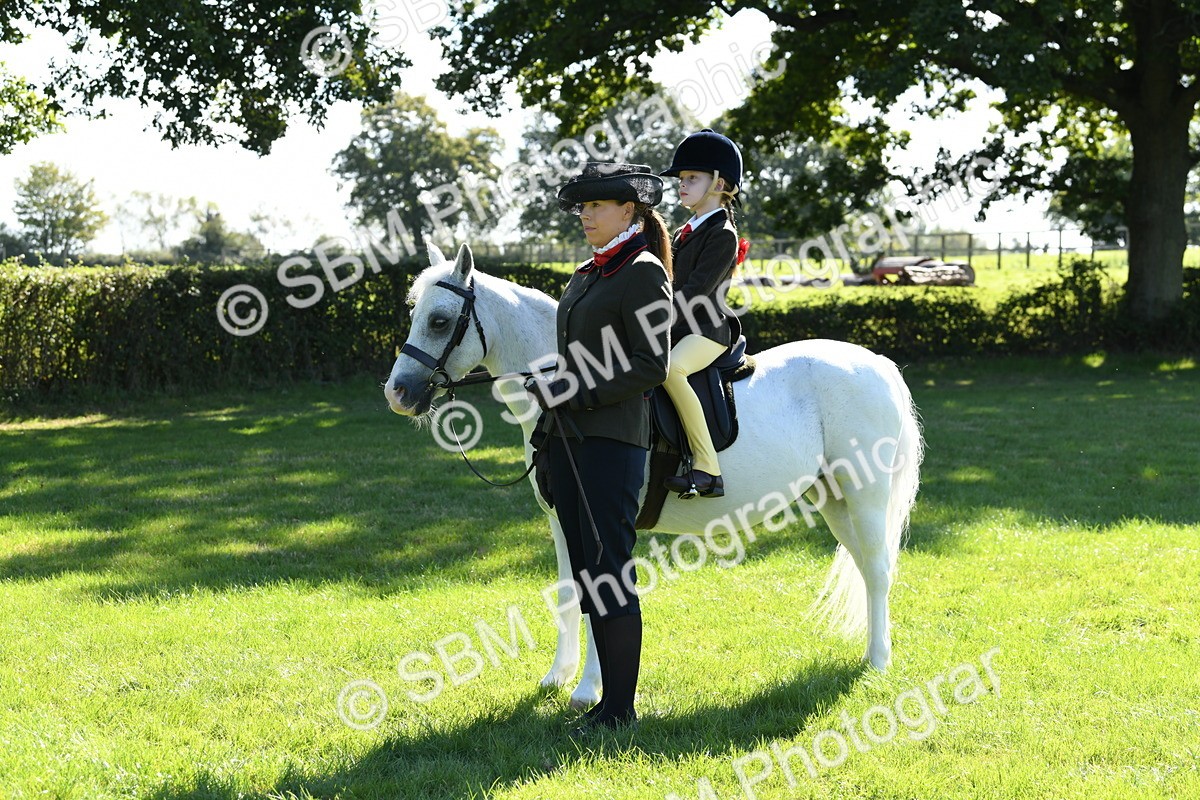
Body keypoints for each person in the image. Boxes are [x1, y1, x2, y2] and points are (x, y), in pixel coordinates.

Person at [525, 162, 673, 733]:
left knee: (609, 573)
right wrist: (547, 393)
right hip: (568, 439)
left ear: (628, 211)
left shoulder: (641, 272)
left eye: (596, 207)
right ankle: (609, 698)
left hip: (613, 441)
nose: (585, 215)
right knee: (587, 573)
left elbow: (649, 365)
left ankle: (619, 710)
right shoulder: (587, 273)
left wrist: (570, 388)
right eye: (582, 208)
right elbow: (577, 358)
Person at [658, 129, 746, 498]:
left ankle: (707, 468)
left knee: (670, 370)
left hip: (707, 330)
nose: (682, 185)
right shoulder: (682, 232)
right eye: (681, 179)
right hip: (681, 327)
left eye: (692, 178)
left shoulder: (722, 234)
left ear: (720, 183)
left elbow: (694, 293)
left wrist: (653, 322)